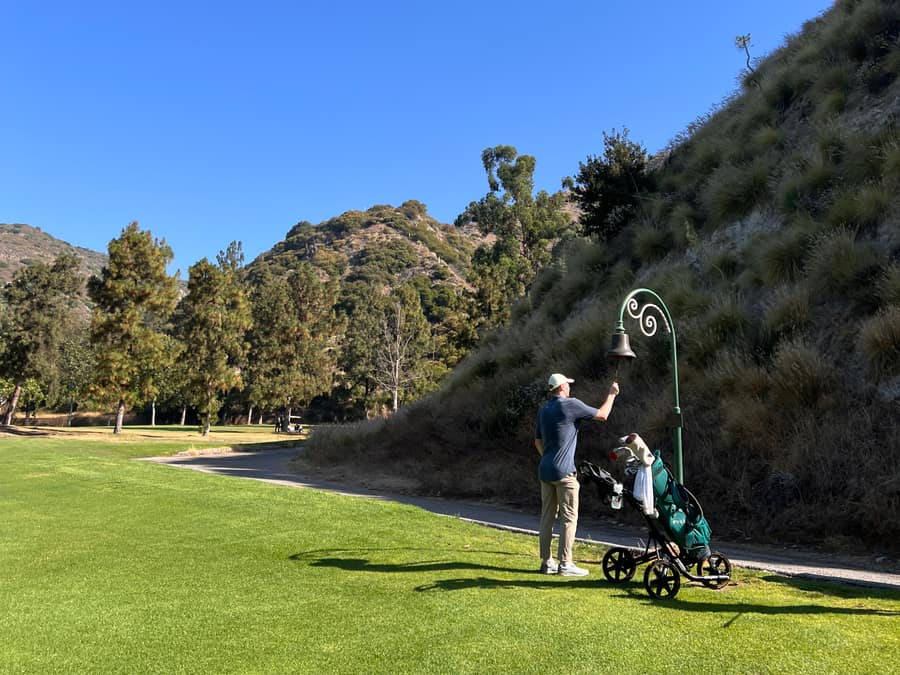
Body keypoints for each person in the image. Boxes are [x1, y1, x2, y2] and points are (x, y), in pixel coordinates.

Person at [535, 373, 620, 576]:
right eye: (568, 385)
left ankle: (547, 562)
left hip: (545, 469)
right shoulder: (570, 404)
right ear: (562, 387)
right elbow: (602, 415)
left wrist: (548, 457)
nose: (570, 388)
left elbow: (537, 441)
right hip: (564, 472)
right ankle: (565, 564)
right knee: (569, 518)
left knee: (547, 517)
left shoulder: (544, 410)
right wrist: (612, 394)